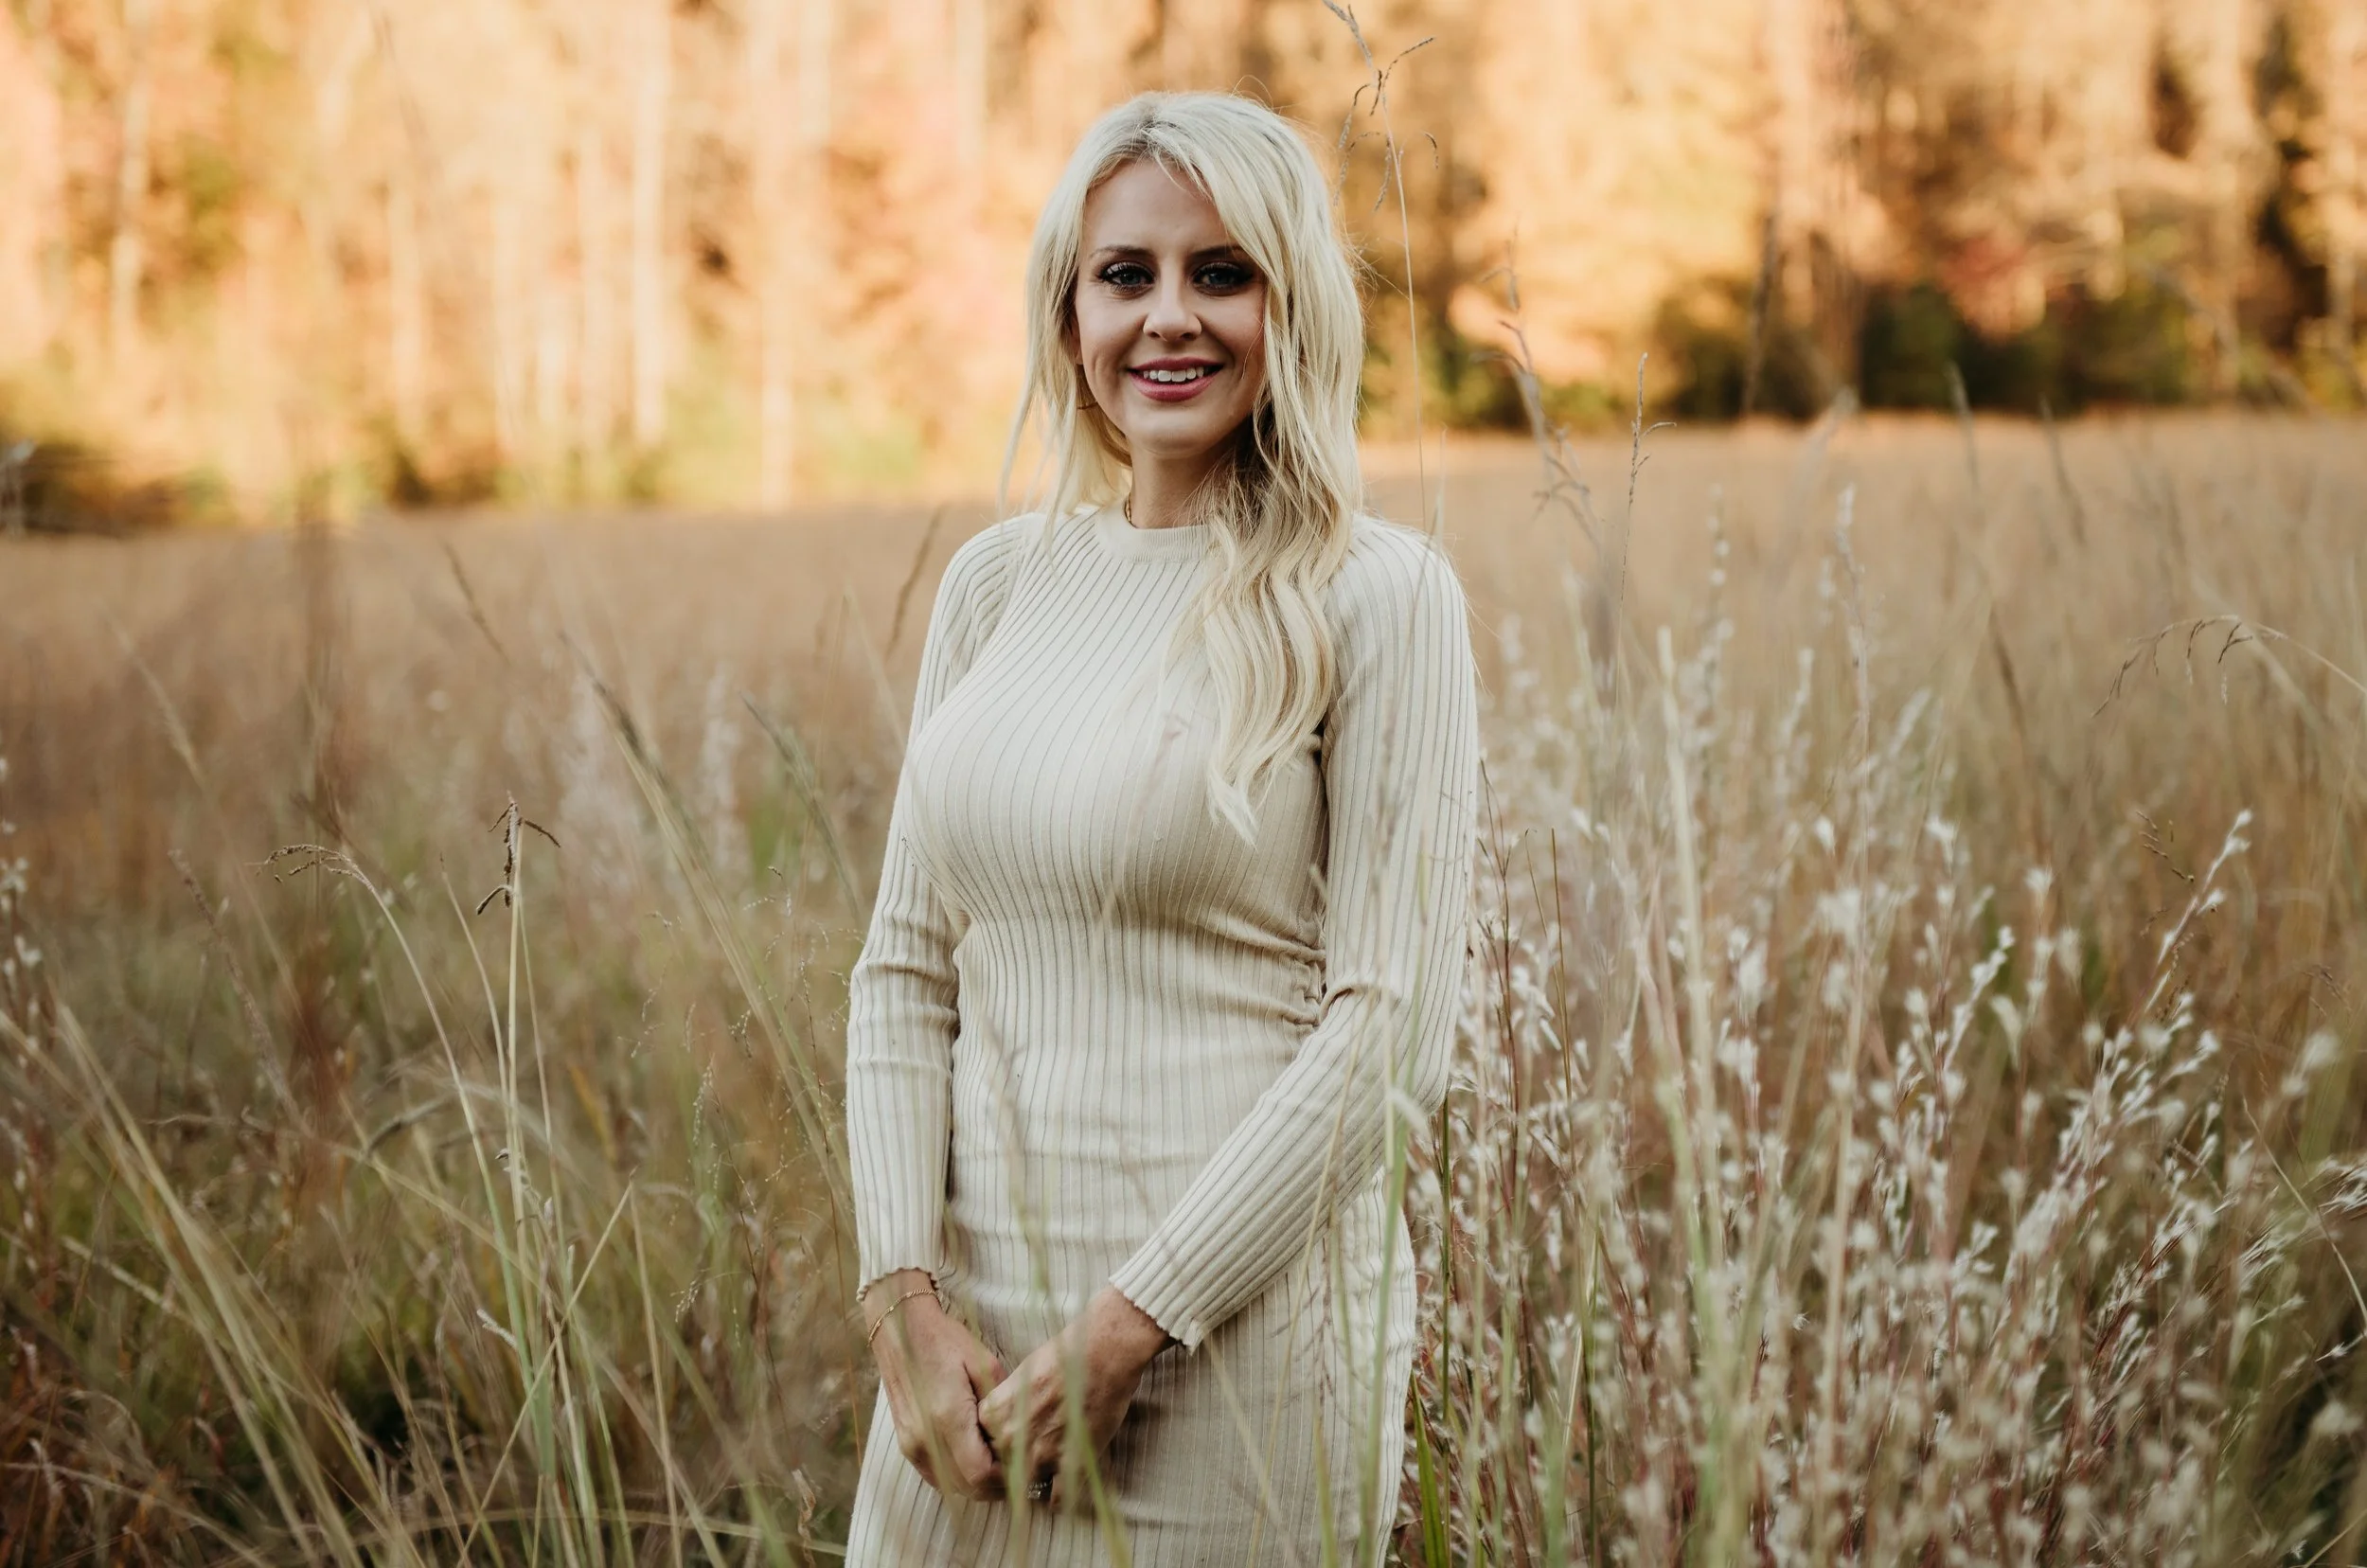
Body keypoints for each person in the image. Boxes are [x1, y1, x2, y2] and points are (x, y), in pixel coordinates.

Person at [842, 88, 1481, 1565]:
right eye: (1126, 274)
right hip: (967, 1377)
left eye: (1223, 272)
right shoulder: (996, 588)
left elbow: (1393, 1032)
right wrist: (900, 1305)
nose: (1169, 320)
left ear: (1293, 305)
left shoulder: (1378, 597)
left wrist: (1131, 1330)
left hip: (1235, 1370)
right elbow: (902, 973)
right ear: (1069, 312)